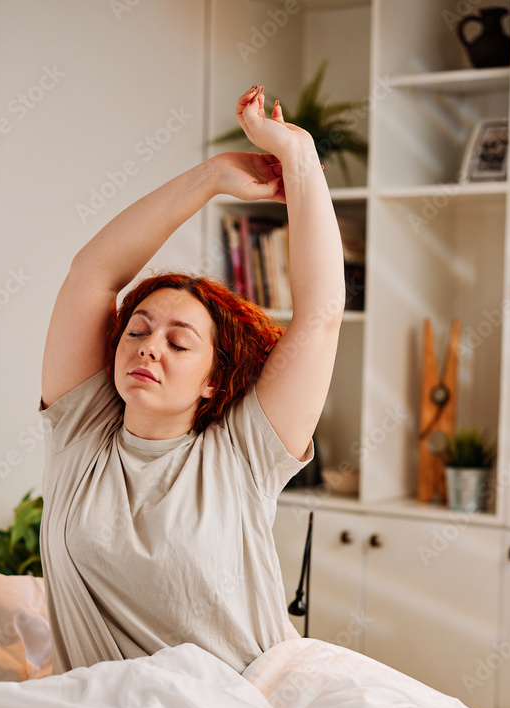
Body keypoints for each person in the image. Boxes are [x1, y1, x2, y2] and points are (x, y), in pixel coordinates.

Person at [38, 85, 345, 676]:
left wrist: (298, 156)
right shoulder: (81, 433)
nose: (149, 346)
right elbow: (91, 275)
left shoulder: (242, 451)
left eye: (178, 343)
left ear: (214, 380)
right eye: (137, 331)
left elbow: (321, 315)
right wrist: (212, 176)